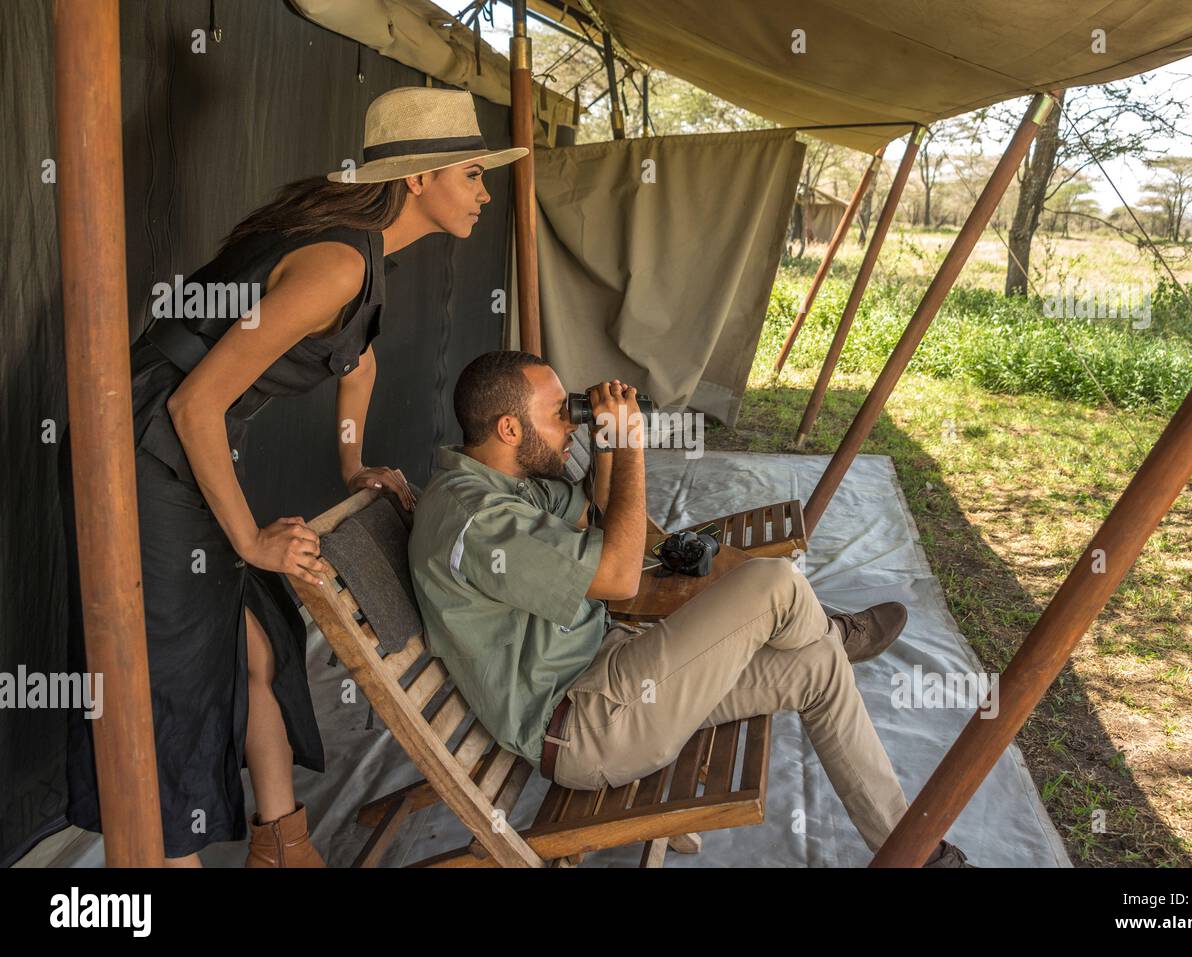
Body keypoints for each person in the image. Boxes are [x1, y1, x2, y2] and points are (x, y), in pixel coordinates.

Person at [58, 87, 527, 866]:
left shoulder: (364, 256)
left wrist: (353, 459)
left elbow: (358, 360)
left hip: (180, 439)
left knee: (258, 641)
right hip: (135, 443)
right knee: (172, 669)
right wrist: (250, 538)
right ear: (419, 179)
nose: (484, 192)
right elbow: (195, 400)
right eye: (473, 174)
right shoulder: (338, 265)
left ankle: (281, 840)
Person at [407, 351, 974, 866]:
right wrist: (630, 445)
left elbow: (597, 516)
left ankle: (915, 856)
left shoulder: (501, 479)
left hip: (617, 678)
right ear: (510, 427)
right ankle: (829, 630)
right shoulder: (479, 521)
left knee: (818, 668)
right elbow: (621, 573)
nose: (571, 425)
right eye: (560, 413)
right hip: (588, 725)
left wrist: (608, 441)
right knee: (775, 582)